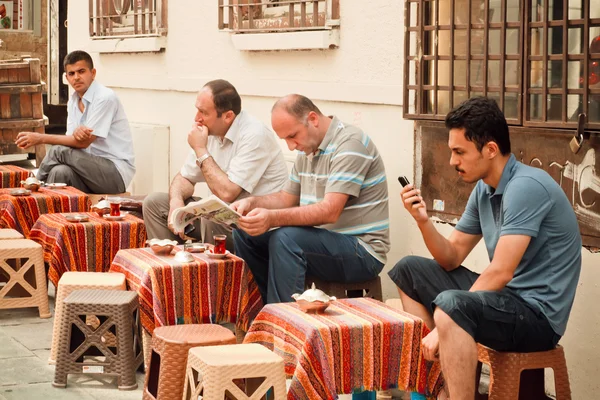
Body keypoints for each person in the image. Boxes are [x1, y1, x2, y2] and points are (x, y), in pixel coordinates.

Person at [388, 97, 582, 400]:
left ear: (490, 149)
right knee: (409, 270)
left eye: (459, 152)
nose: (452, 161)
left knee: (453, 305)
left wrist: (442, 327)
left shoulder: (526, 186)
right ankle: (441, 385)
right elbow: (451, 257)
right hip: (504, 301)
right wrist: (422, 221)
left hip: (536, 316)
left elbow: (501, 271)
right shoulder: (485, 189)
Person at [231, 94, 390, 304]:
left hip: (362, 252)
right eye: (285, 139)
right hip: (323, 243)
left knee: (286, 238)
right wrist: (252, 203)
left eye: (292, 136)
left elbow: (329, 211)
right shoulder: (308, 149)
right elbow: (286, 198)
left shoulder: (350, 144)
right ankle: (264, 314)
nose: (290, 146)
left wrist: (271, 218)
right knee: (245, 234)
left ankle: (284, 326)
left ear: (313, 119)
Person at [143, 79, 288, 247]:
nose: (197, 118)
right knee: (154, 203)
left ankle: (211, 272)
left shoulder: (254, 135)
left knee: (213, 218)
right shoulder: (210, 132)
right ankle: (173, 267)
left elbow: (227, 193)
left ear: (228, 116)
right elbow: (185, 178)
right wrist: (176, 203)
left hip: (256, 228)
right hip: (224, 219)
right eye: (197, 110)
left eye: (203, 112)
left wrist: (200, 150)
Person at [16, 50, 135, 194]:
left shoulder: (105, 98)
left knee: (58, 151)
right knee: (60, 172)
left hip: (114, 175)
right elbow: (72, 142)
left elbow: (83, 143)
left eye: (81, 71)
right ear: (66, 77)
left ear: (93, 73)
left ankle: (31, 190)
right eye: (71, 74)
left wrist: (40, 138)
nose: (76, 77)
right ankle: (48, 211)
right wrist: (76, 136)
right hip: (86, 172)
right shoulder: (73, 101)